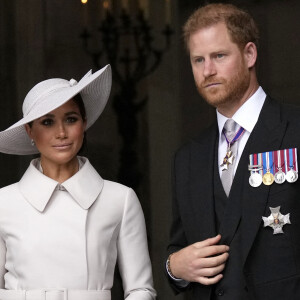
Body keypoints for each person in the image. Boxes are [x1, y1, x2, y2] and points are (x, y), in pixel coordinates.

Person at [166, 3, 300, 300]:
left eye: (219, 56)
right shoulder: (187, 159)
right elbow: (178, 250)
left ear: (249, 54)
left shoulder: (295, 130)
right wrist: (174, 267)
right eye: (197, 60)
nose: (207, 70)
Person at [0, 65, 156, 300]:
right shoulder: (4, 202)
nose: (61, 133)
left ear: (83, 123)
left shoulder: (120, 199)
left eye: (70, 119)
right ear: (29, 131)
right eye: (47, 122)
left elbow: (140, 289)